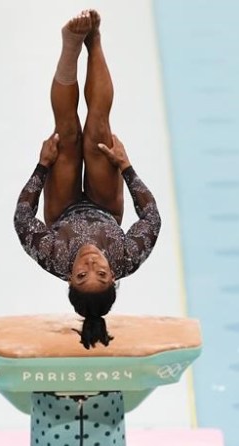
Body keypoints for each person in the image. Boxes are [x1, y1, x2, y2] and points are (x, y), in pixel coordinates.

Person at [14, 9, 161, 349]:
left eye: (82, 276)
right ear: (115, 277)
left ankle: (70, 48)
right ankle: (94, 40)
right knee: (98, 133)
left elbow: (22, 218)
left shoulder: (53, 256)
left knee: (67, 136)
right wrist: (126, 167)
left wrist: (42, 166)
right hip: (105, 205)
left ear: (68, 277)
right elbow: (152, 217)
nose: (92, 264)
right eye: (102, 274)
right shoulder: (127, 257)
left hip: (62, 208)